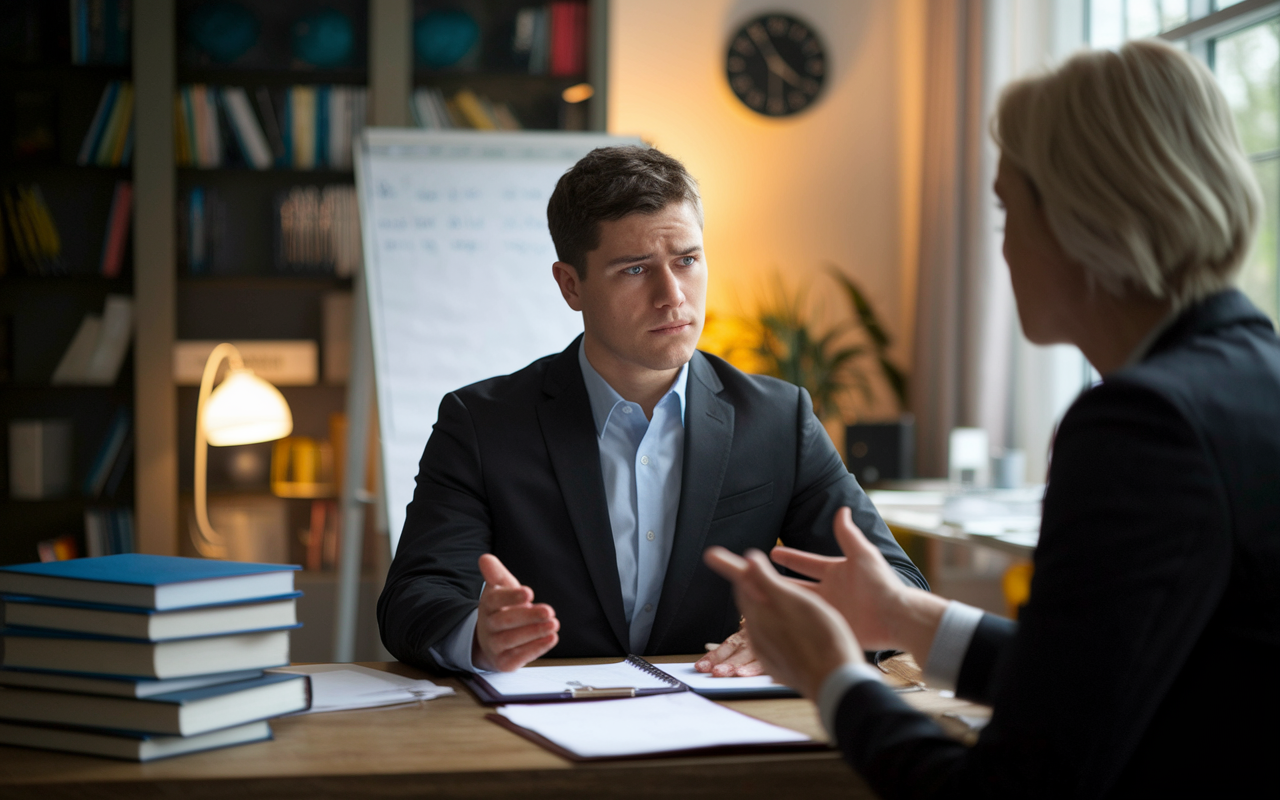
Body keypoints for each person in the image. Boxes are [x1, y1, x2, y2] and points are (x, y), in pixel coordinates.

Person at [707, 38, 1280, 797]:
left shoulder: (1145, 424)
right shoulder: (1250, 379)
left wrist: (834, 678)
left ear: (1083, 220)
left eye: (1009, 207)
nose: (1003, 246)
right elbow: (1106, 677)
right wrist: (905, 615)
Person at [377, 145, 926, 675]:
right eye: (635, 270)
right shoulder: (481, 424)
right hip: (542, 729)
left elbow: (897, 585)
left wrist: (804, 627)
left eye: (686, 260)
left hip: (719, 728)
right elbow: (413, 597)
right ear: (571, 285)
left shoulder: (778, 420)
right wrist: (478, 634)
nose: (673, 296)